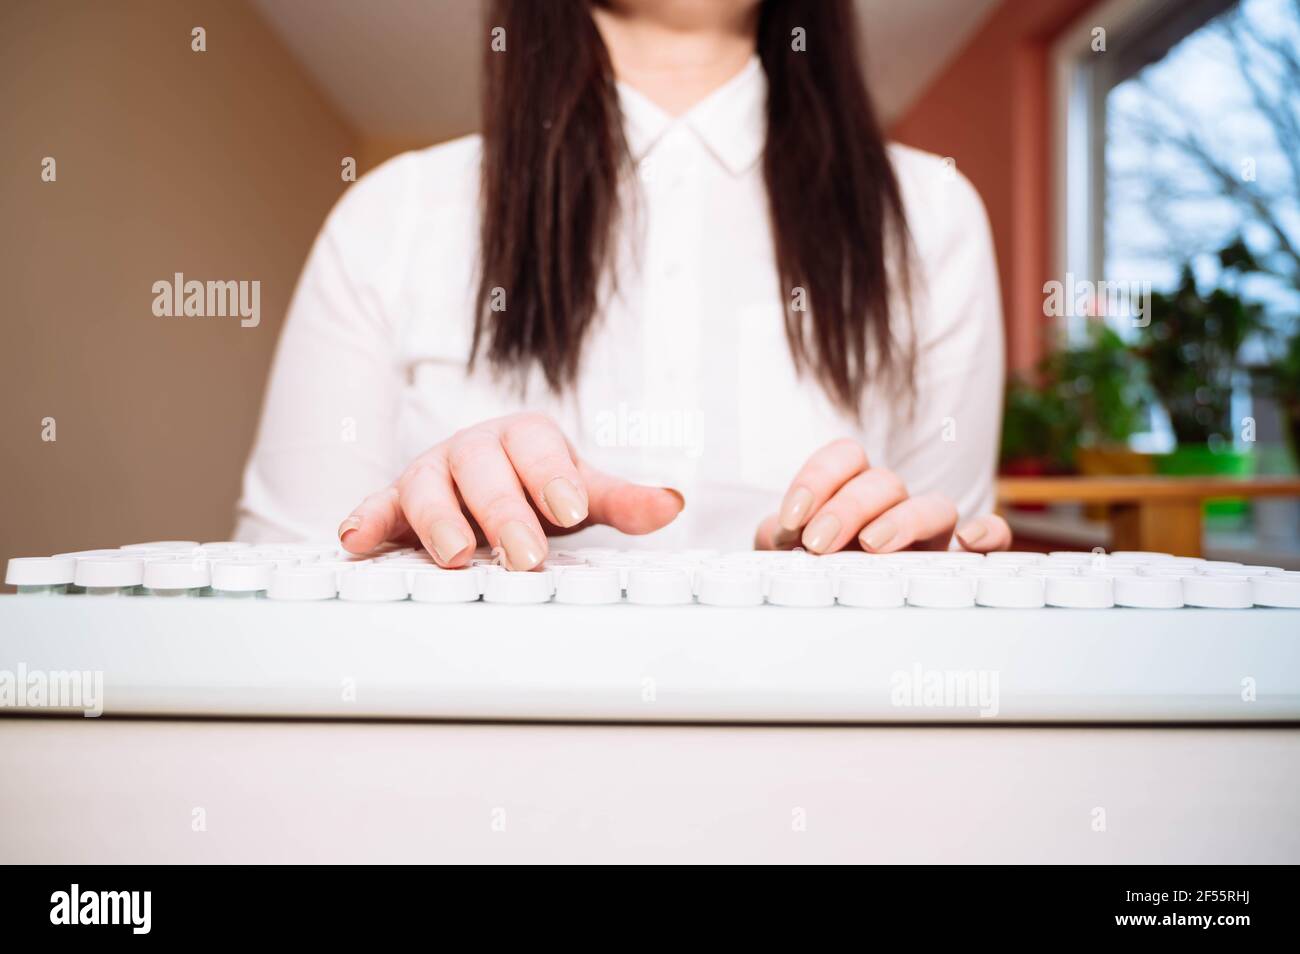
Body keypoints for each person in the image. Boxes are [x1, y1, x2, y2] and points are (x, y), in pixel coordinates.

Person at [235, 0, 1013, 570]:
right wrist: (421, 542)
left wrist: (864, 570)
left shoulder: (931, 218)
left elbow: (938, 575)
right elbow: (275, 589)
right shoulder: (391, 213)